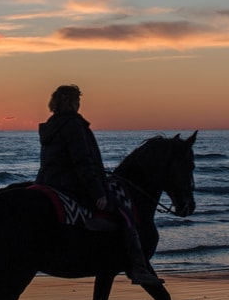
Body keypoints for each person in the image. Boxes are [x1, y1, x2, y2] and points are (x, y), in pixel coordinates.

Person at [36, 85, 162, 285]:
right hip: (71, 182)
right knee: (123, 210)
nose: (79, 104)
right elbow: (82, 161)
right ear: (72, 102)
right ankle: (137, 267)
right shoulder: (73, 125)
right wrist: (98, 192)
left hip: (49, 180)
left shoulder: (51, 125)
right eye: (77, 100)